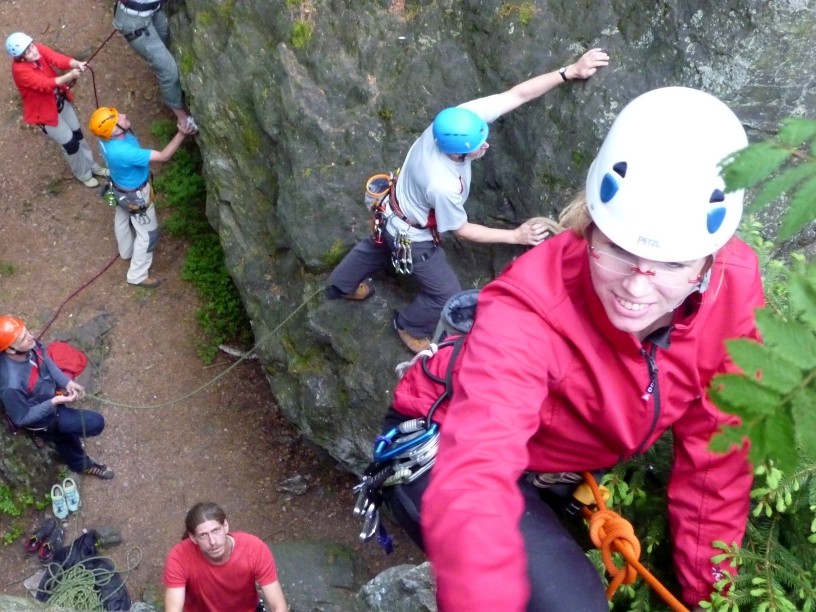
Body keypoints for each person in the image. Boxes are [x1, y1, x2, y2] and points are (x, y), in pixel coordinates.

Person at [377, 87, 762, 611]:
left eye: (671, 265)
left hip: (555, 458)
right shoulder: (530, 308)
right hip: (444, 444)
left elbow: (718, 451)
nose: (637, 288)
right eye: (618, 251)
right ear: (590, 226)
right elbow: (478, 476)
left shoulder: (733, 287)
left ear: (709, 259)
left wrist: (709, 599)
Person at [326, 48, 610, 353]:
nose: (485, 144)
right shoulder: (443, 183)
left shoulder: (453, 123)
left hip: (390, 210)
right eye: (478, 146)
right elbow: (460, 229)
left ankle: (341, 285)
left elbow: (516, 95)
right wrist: (516, 235)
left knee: (376, 245)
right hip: (413, 234)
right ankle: (409, 325)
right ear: (457, 153)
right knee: (445, 294)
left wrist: (569, 71)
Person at [88, 106, 193, 288]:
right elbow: (163, 156)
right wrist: (182, 134)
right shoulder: (125, 152)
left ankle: (126, 252)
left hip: (118, 188)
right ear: (113, 131)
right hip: (135, 195)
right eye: (118, 118)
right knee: (147, 234)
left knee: (122, 216)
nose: (124, 115)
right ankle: (137, 275)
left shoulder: (104, 140)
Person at [0, 316, 114, 479]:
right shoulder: (11, 384)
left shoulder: (29, 347)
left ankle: (49, 435)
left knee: (66, 430)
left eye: (27, 332)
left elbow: (45, 360)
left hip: (49, 396)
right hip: (42, 418)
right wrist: (54, 402)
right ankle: (81, 465)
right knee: (90, 426)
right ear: (10, 349)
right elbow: (22, 417)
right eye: (24, 338)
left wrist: (66, 382)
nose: (31, 337)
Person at [6, 32, 109, 188]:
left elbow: (57, 58)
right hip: (44, 113)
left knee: (78, 134)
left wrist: (75, 64)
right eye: (27, 51)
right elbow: (44, 84)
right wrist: (70, 76)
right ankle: (83, 173)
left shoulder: (37, 49)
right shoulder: (20, 71)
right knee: (70, 143)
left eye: (32, 46)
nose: (33, 51)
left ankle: (92, 165)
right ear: (20, 57)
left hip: (59, 101)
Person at [164, 502, 288, 612]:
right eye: (203, 535)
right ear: (193, 538)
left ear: (225, 526)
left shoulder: (254, 549)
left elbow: (279, 606)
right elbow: (173, 608)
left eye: (215, 531)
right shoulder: (179, 557)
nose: (213, 541)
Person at [113, 1, 198, 133]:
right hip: (134, 22)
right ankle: (183, 119)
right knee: (168, 72)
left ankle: (165, 73)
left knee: (165, 33)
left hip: (151, 12)